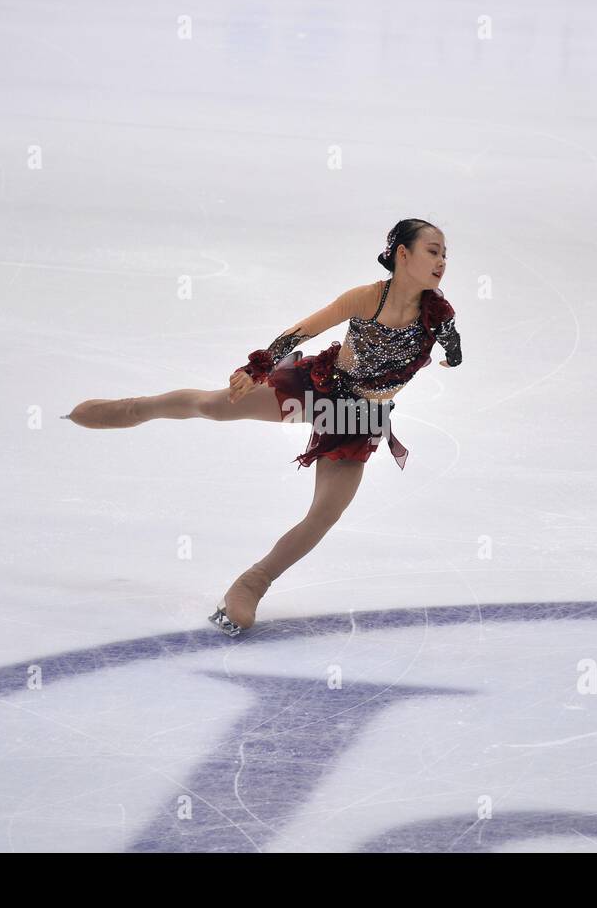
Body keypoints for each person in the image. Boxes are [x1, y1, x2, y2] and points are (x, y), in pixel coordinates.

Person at [64, 219, 463, 636]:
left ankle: (253, 582)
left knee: (326, 513)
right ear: (403, 255)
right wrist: (258, 368)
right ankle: (137, 408)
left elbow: (453, 344)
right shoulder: (366, 299)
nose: (441, 261)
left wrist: (452, 356)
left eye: (445, 254)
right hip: (319, 388)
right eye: (433, 251)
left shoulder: (438, 314)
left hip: (358, 419)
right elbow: (301, 330)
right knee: (215, 406)